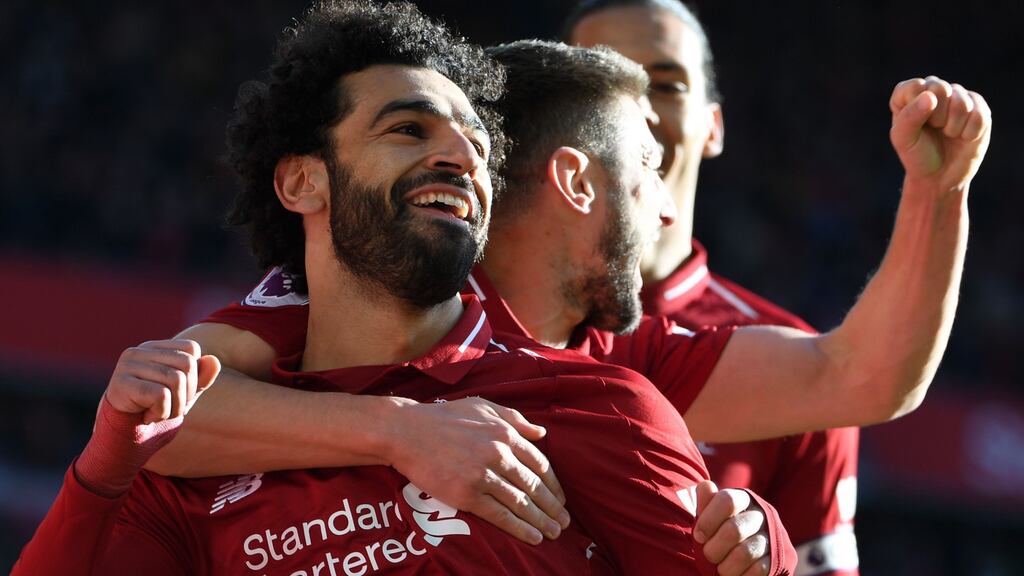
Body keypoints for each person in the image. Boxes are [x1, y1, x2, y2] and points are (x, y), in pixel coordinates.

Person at [13, 3, 792, 575]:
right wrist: (101, 476)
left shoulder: (596, 410)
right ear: (301, 181)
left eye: (476, 142)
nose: (461, 153)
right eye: (408, 129)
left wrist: (769, 560)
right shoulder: (195, 465)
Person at [563, 0, 858, 572]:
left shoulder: (796, 361)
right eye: (605, 79)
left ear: (713, 126)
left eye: (667, 85)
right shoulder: (464, 313)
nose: (640, 111)